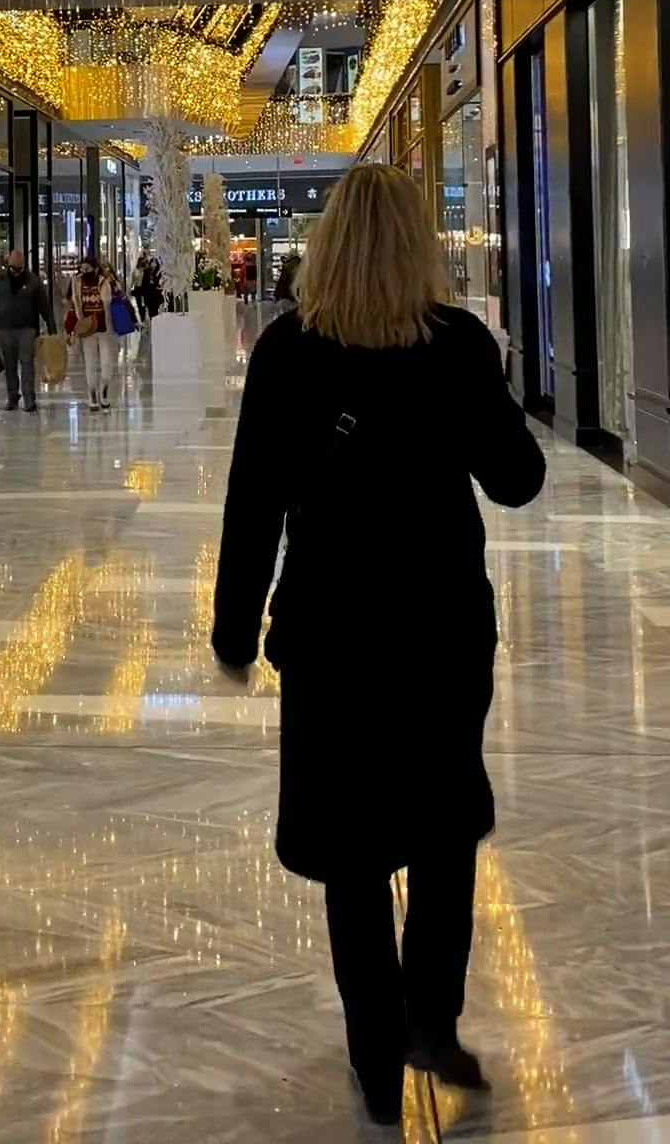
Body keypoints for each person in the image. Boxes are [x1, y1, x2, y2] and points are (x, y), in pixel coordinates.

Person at [211, 166, 545, 1131]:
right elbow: (517, 479)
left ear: (326, 245)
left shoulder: (287, 351)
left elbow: (253, 503)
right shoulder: (458, 345)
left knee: (349, 843)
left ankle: (375, 1051)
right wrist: (488, 400)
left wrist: (234, 630)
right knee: (443, 824)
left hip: (332, 633)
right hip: (442, 628)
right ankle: (431, 1020)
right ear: (419, 245)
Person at [0, 248, 56, 414]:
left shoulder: (33, 281)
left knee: (27, 363)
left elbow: (43, 305)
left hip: (27, 329)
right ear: (8, 263)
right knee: (9, 365)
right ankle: (12, 396)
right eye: (13, 266)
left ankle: (29, 398)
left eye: (19, 266)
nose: (16, 270)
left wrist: (51, 325)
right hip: (5, 328)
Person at [73, 255, 116, 411]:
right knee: (90, 363)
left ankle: (104, 387)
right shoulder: (77, 282)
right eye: (82, 269)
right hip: (87, 328)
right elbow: (75, 303)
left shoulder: (104, 282)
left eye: (88, 269)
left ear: (95, 269)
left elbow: (108, 304)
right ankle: (92, 395)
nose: (84, 272)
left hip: (104, 328)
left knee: (106, 362)